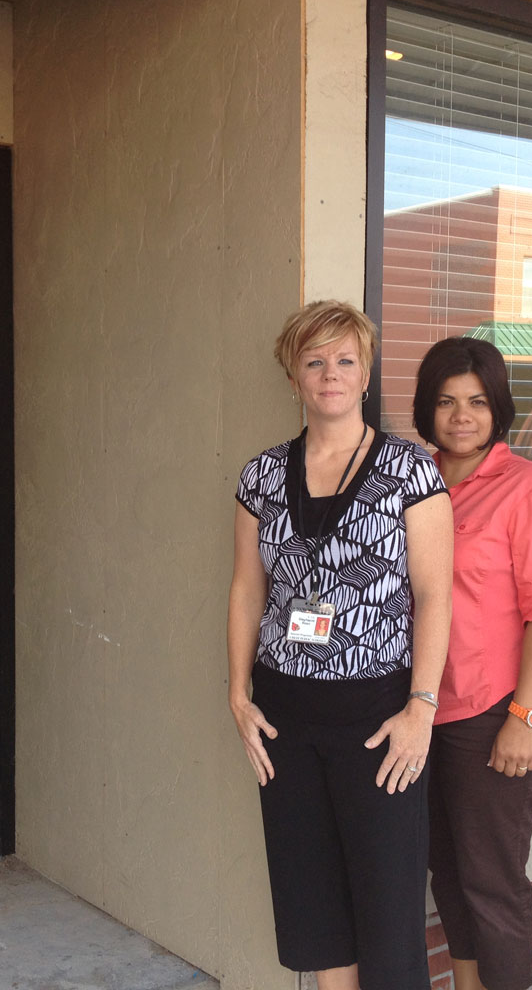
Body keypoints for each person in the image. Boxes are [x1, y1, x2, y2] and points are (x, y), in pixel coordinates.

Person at [227, 300, 453, 990]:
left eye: (345, 360)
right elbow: (245, 589)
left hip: (377, 716)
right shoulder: (262, 476)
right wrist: (237, 692)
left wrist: (421, 707)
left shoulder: (411, 472)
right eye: (314, 361)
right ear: (294, 376)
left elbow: (435, 596)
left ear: (365, 372)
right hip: (284, 717)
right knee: (312, 898)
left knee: (386, 906)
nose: (330, 373)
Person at [412, 338, 532, 990]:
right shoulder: (412, 484)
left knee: (491, 877)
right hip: (424, 708)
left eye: (478, 402)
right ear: (427, 407)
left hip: (497, 710)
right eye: (447, 401)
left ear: (498, 407)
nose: (461, 416)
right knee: (447, 870)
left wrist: (525, 715)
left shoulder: (530, 488)